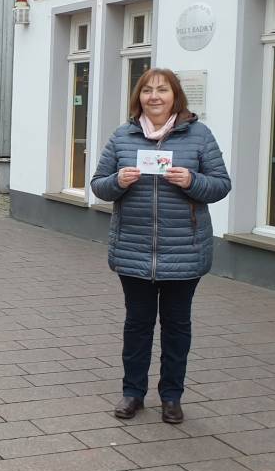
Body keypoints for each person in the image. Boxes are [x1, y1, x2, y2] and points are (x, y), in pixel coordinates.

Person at [90, 68, 230, 424]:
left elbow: (221, 184)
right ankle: (132, 393)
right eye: (147, 90)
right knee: (137, 325)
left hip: (185, 251)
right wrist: (118, 181)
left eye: (162, 90)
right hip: (133, 249)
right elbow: (99, 185)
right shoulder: (123, 135)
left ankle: (171, 397)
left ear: (175, 96)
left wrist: (192, 180)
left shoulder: (199, 135)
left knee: (176, 326)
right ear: (138, 96)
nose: (154, 96)